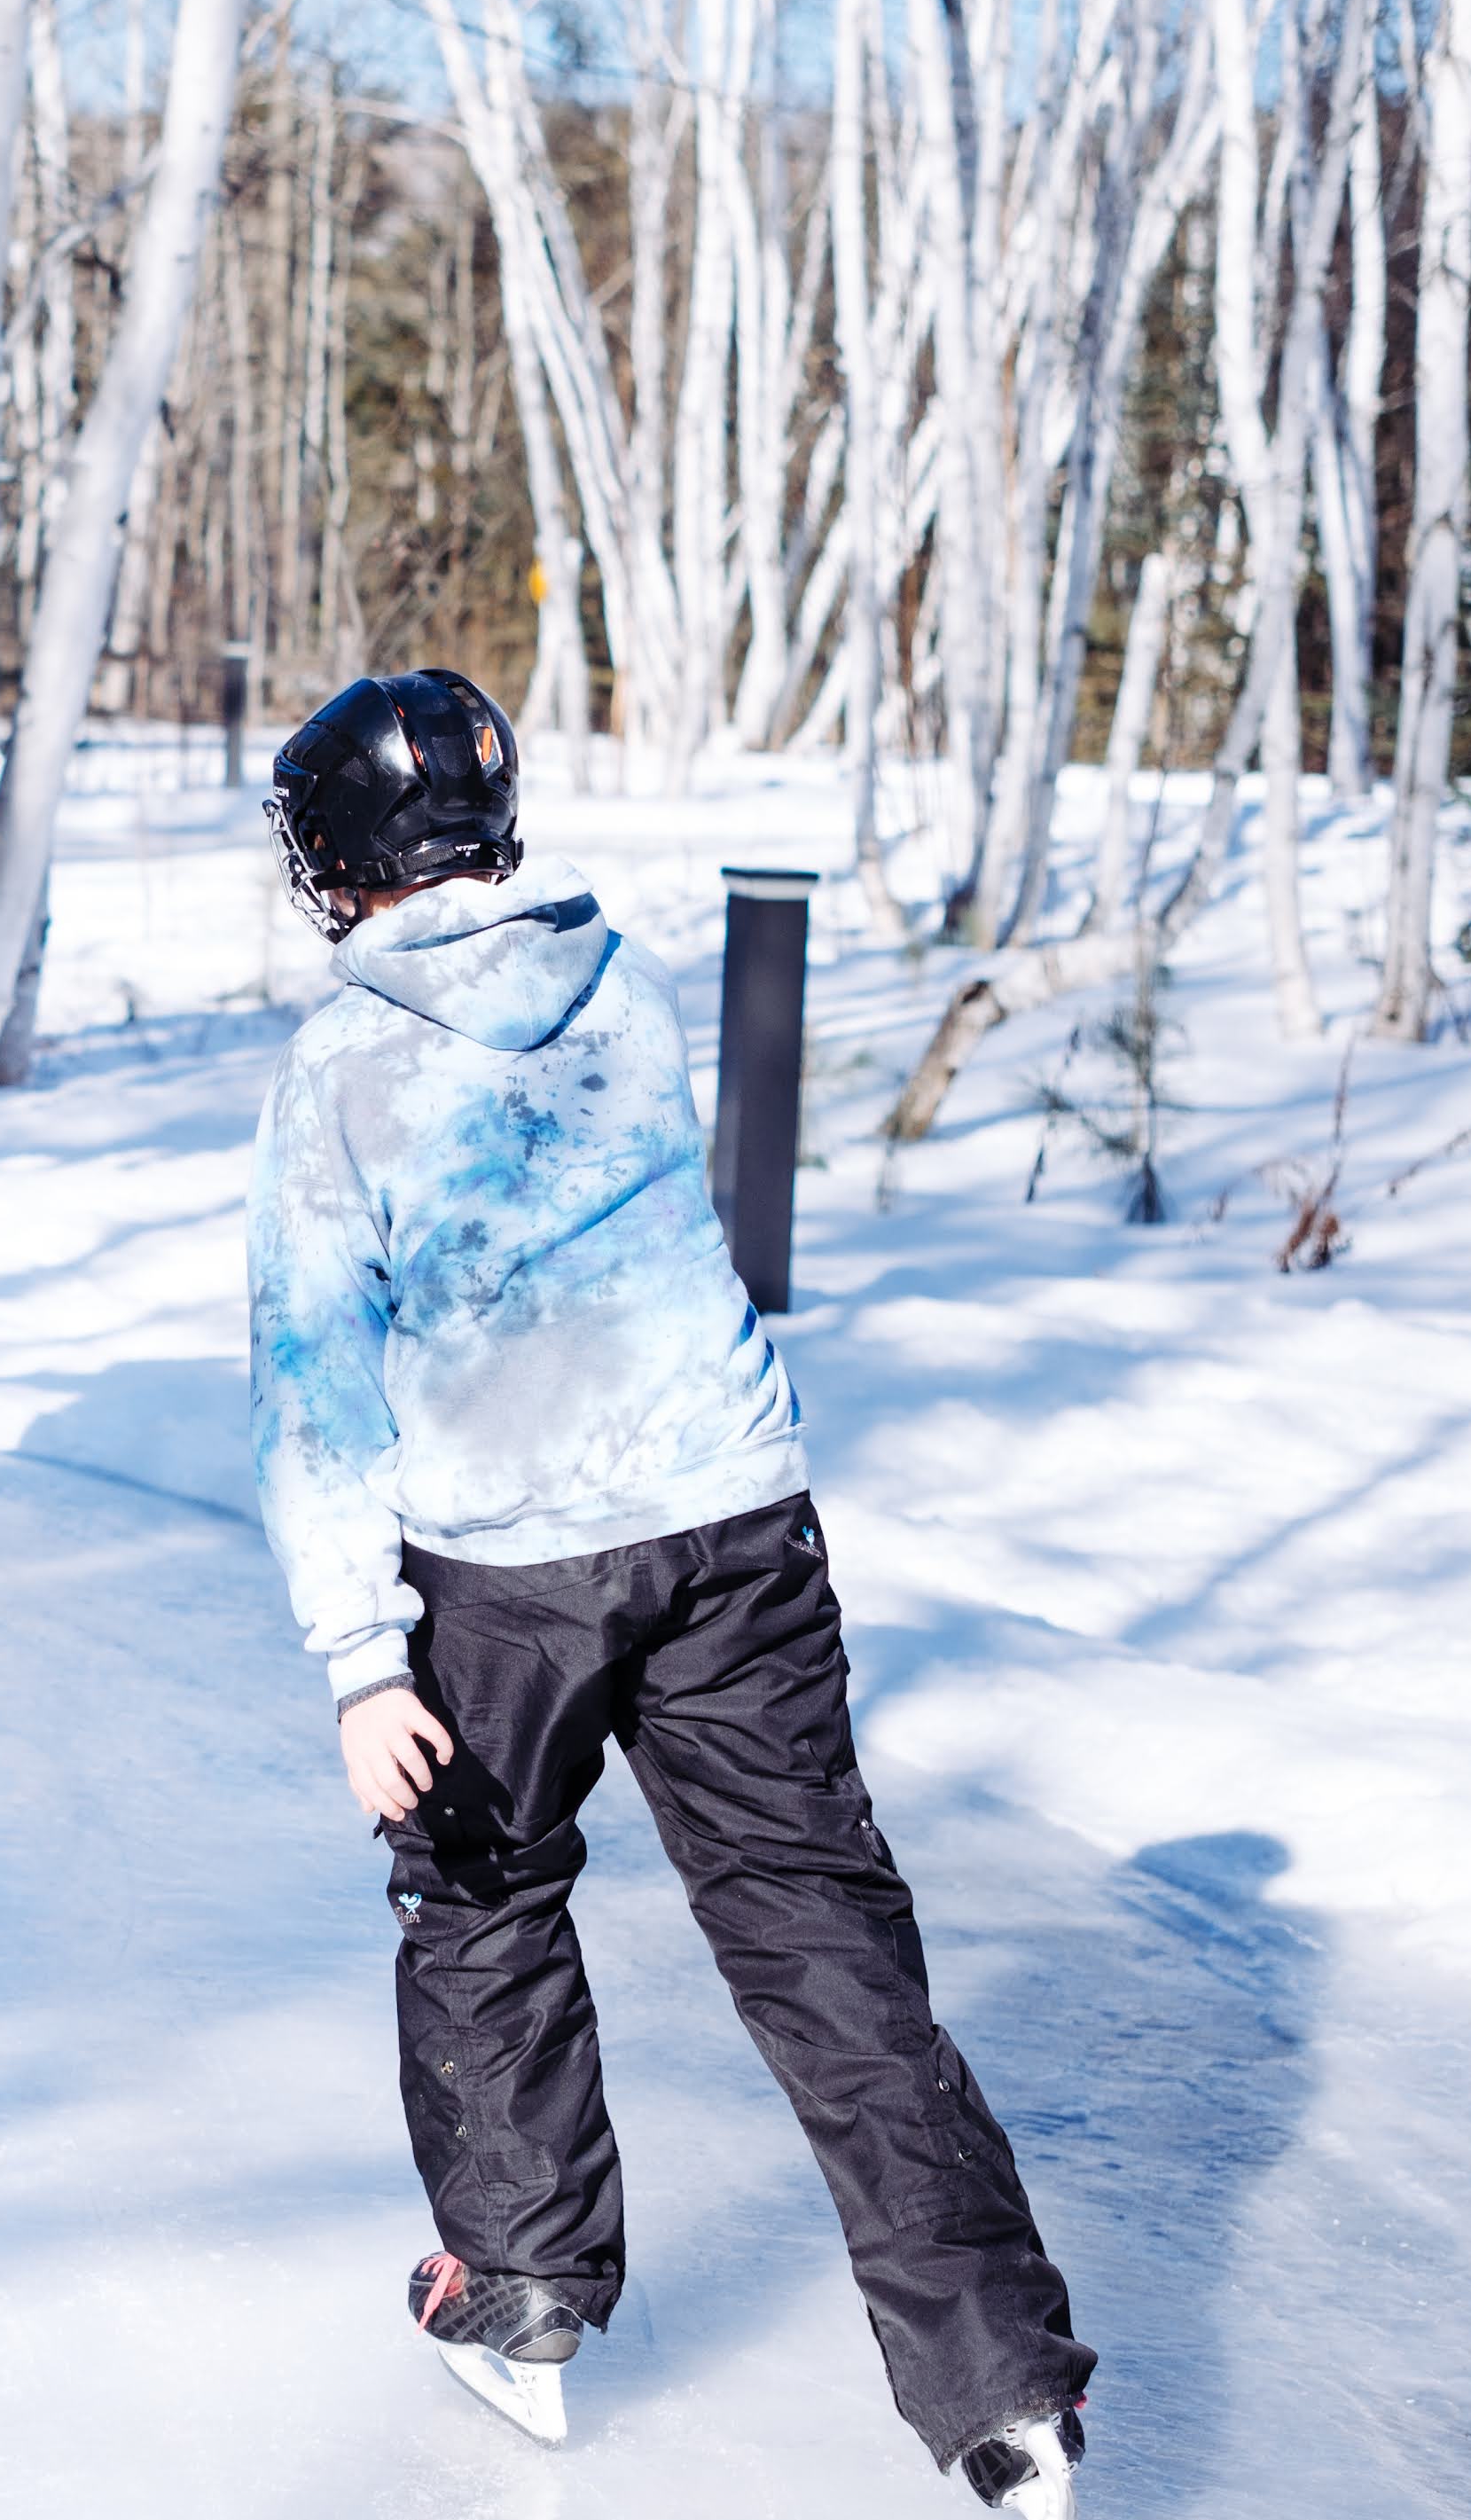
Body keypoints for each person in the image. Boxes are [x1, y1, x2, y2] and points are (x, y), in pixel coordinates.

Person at [246, 669, 1095, 2515]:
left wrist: (357, 1661)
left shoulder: (344, 1066)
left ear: (343, 863)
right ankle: (1002, 2394)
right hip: (735, 1522)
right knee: (820, 1937)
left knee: (480, 1896)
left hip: (513, 1563)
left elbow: (312, 1378)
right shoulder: (614, 982)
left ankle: (526, 2281)